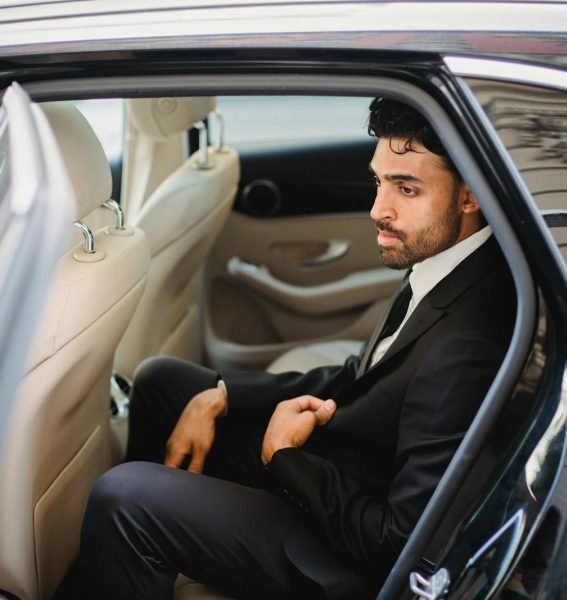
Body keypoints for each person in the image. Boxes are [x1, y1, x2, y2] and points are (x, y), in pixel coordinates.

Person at [79, 97, 516, 599]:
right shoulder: (447, 266)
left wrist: (286, 457)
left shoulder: (467, 345)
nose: (379, 210)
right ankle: (142, 564)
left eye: (407, 188)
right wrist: (225, 395)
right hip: (337, 470)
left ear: (469, 196)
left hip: (333, 554)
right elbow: (362, 374)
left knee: (123, 496)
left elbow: (397, 545)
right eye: (380, 182)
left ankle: (146, 533)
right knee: (164, 385)